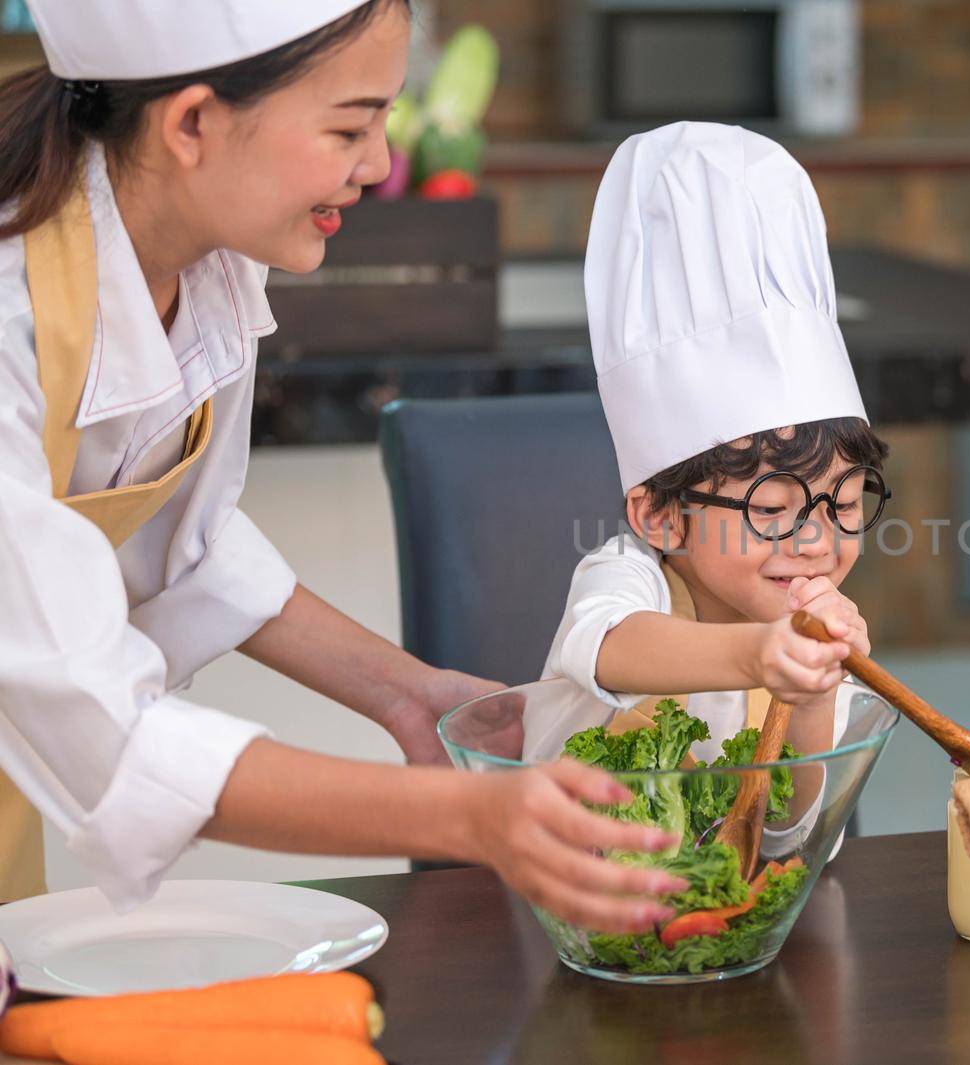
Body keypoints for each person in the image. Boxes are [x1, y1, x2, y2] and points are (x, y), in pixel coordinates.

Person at [0, 0, 683, 933]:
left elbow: (175, 544)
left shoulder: (198, 268)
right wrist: (475, 816)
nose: (379, 165)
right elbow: (107, 732)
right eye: (350, 127)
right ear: (193, 123)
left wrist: (409, 692)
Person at [536, 123, 892, 837]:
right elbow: (611, 647)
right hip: (570, 899)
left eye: (846, 502)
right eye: (773, 509)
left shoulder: (812, 629)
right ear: (660, 515)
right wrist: (760, 655)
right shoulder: (625, 579)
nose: (819, 538)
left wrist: (815, 694)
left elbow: (787, 832)